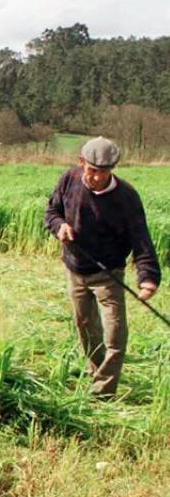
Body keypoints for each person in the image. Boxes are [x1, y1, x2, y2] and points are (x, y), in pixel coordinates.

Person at [44, 136, 161, 398]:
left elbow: (140, 237)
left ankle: (103, 392)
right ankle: (95, 372)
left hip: (108, 274)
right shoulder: (69, 180)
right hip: (75, 268)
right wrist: (59, 227)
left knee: (116, 334)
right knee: (86, 327)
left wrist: (148, 278)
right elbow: (52, 212)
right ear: (81, 162)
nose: (96, 177)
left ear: (113, 169)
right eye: (92, 170)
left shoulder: (126, 197)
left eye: (103, 172)